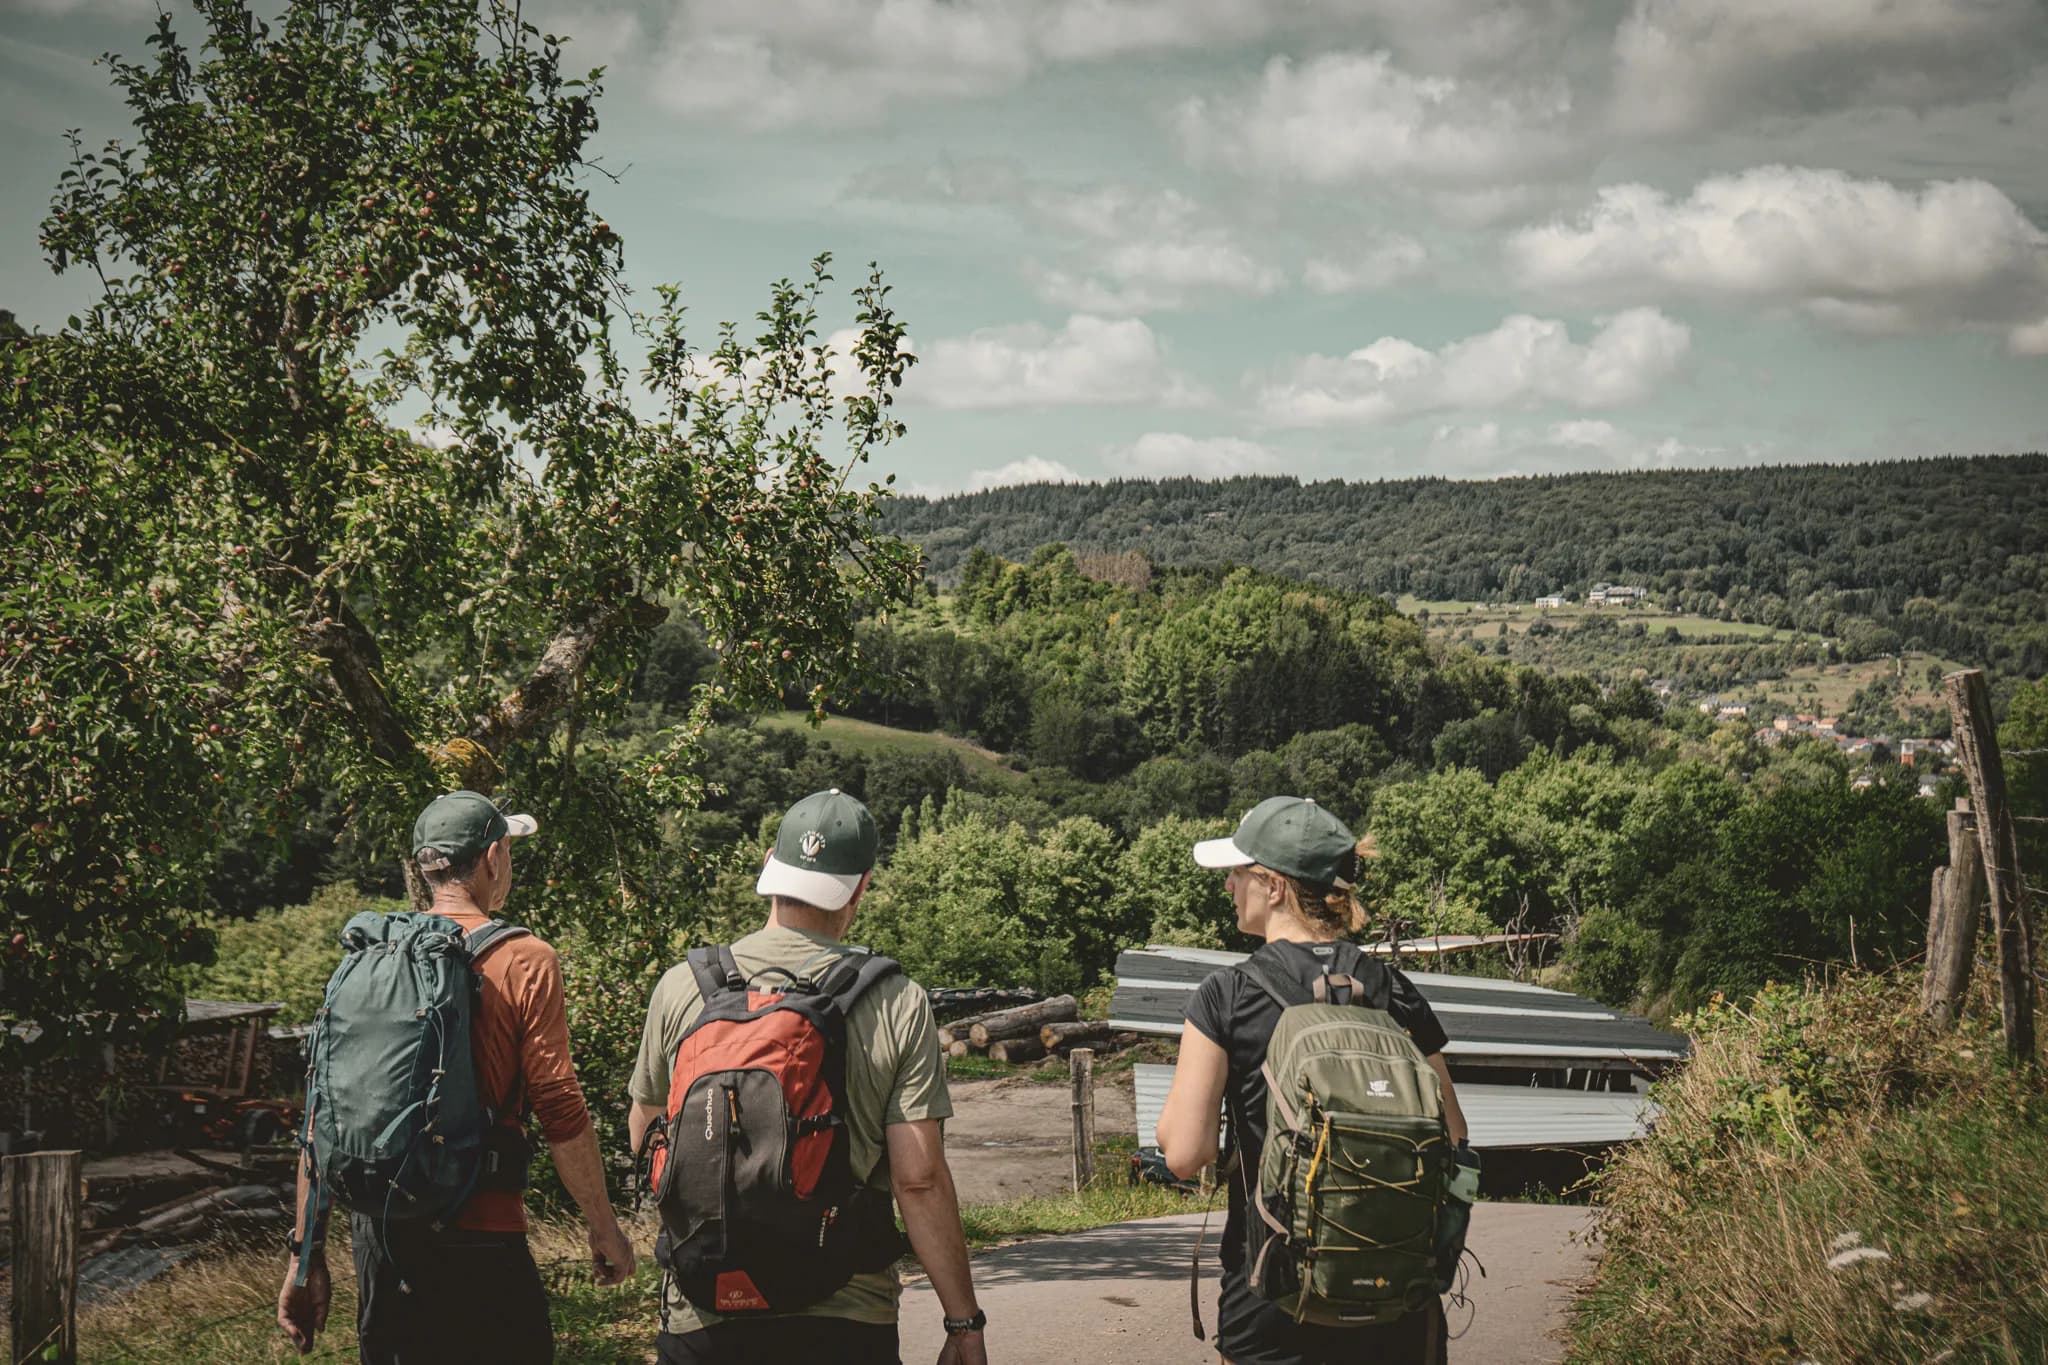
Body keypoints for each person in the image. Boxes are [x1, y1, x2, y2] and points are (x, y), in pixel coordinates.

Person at [627, 788, 988, 1365]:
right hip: (842, 1312)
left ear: (770, 864)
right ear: (862, 885)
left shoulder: (682, 986)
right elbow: (918, 1180)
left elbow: (649, 1133)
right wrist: (963, 1321)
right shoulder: (896, 1000)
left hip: (702, 1310)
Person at [277, 790, 636, 1361]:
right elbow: (559, 1106)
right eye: (510, 854)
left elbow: (322, 1118)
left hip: (380, 1236)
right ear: (494, 857)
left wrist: (305, 1258)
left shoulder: (370, 957)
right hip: (480, 1233)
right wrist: (602, 1226)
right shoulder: (525, 958)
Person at [1155, 796, 1469, 1365]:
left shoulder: (1227, 996)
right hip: (1398, 1300)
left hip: (1273, 1298)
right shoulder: (1394, 990)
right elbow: (1453, 1134)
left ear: (1272, 885)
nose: (1228, 885)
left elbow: (1183, 1154)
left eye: (1235, 872)